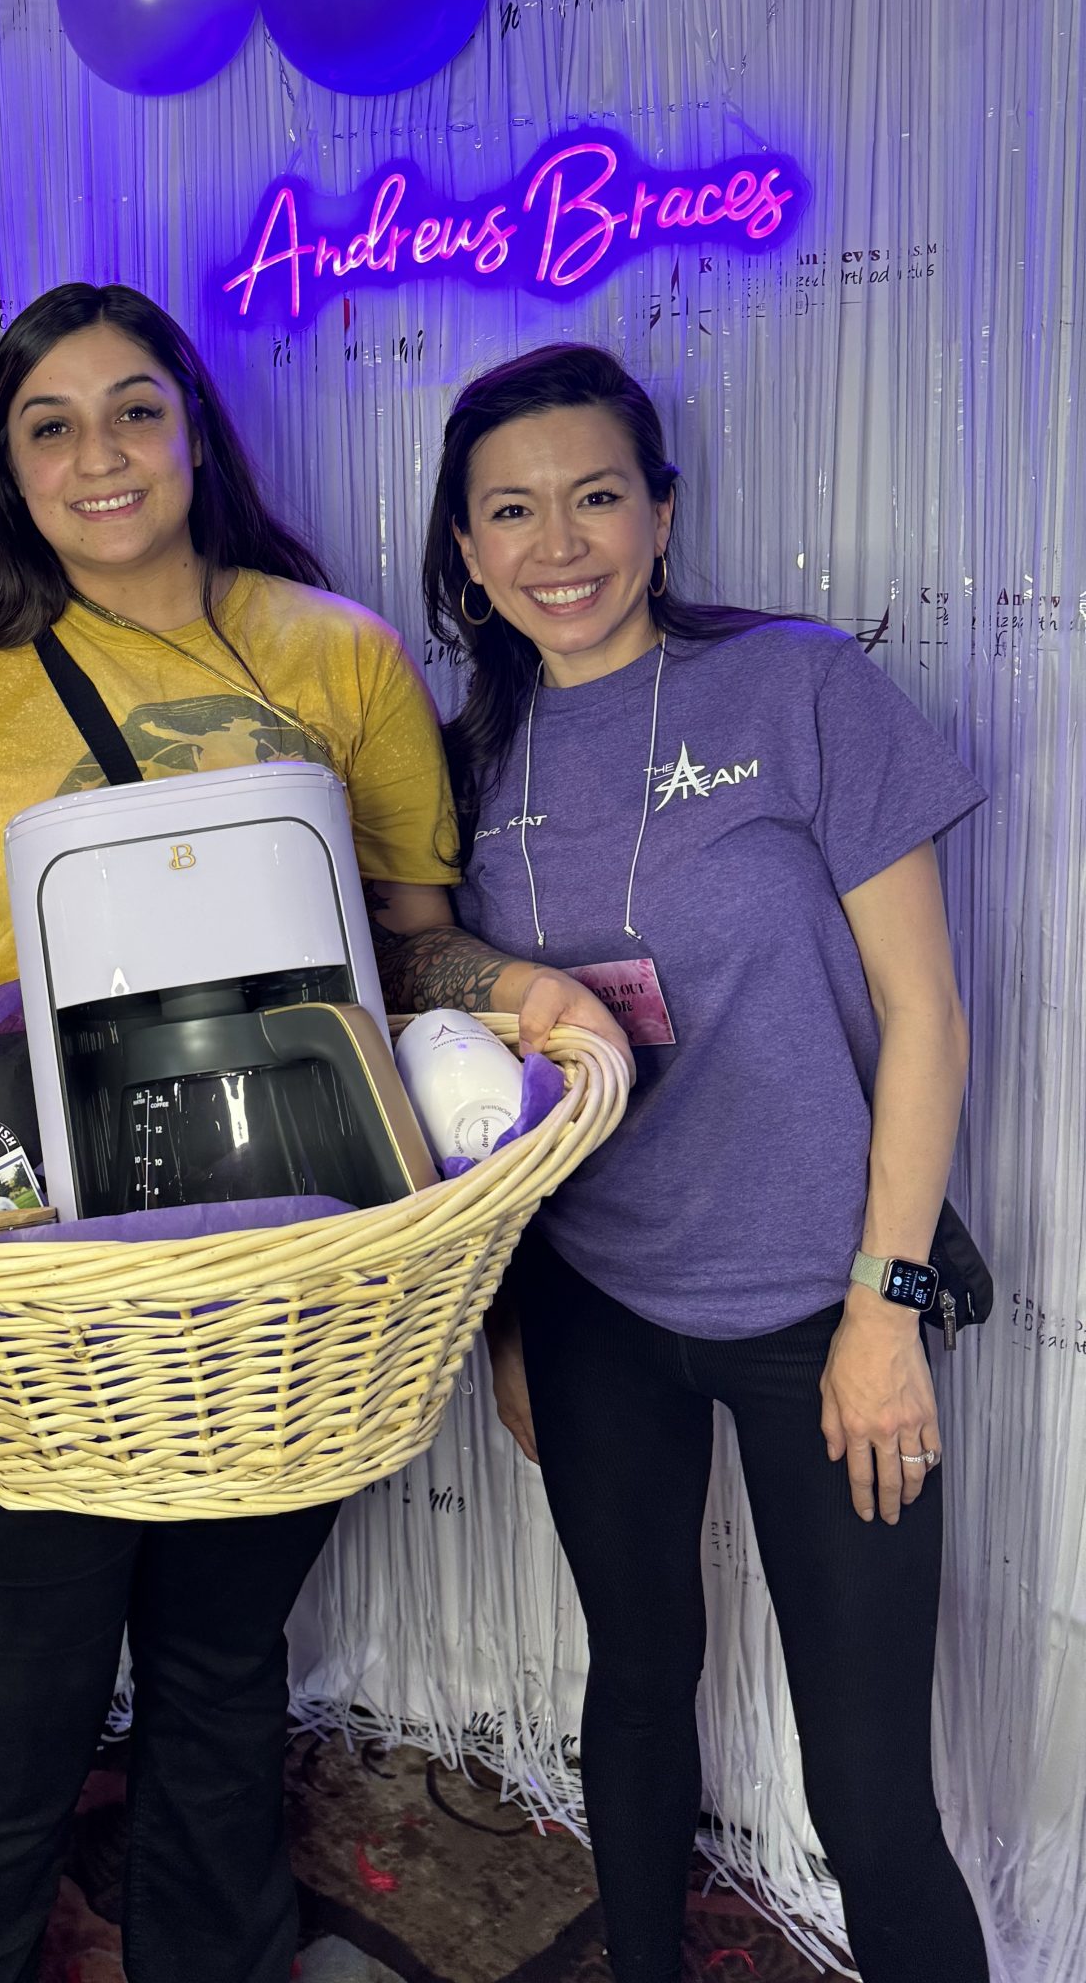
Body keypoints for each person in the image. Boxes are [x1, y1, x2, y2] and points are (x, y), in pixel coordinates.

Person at [0, 283, 621, 1983]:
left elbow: (413, 944)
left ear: (194, 426)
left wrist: (526, 993)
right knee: (14, 1713)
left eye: (130, 410)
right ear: (9, 468)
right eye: (49, 425)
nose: (96, 455)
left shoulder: (336, 650)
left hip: (287, 1263)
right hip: (16, 1284)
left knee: (221, 1673)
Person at [423, 342, 989, 1983]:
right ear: (465, 550)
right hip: (598, 1302)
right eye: (511, 511)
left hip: (827, 1303)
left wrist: (885, 1313)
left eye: (597, 496)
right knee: (635, 1692)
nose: (560, 544)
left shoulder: (801, 692)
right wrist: (513, 1321)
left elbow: (925, 1016)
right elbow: (455, 1029)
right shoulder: (468, 768)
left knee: (871, 1793)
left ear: (661, 515)